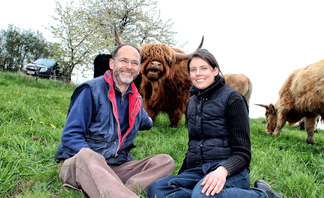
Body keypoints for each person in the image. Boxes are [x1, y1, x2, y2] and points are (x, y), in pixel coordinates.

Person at [147, 49, 284, 198]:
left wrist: (222, 171)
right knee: (157, 189)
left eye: (204, 68)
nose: (198, 73)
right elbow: (193, 144)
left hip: (231, 170)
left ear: (215, 71)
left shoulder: (234, 99)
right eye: (193, 70)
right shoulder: (191, 103)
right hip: (198, 171)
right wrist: (181, 177)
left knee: (201, 194)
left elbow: (243, 153)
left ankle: (263, 195)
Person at [54, 44, 175, 198]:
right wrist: (98, 163)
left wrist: (150, 120)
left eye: (134, 63)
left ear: (139, 69)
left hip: (117, 166)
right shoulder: (90, 90)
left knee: (165, 161)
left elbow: (146, 122)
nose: (129, 67)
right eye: (123, 61)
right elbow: (70, 136)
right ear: (112, 64)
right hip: (84, 164)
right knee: (88, 155)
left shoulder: (136, 99)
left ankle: (119, 189)